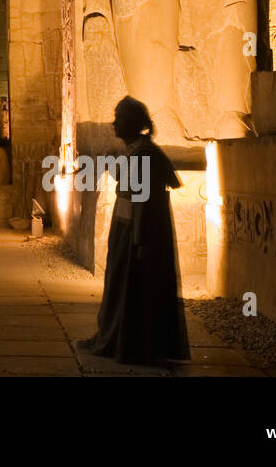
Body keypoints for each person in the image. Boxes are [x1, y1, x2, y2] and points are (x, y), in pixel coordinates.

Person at [78, 96, 190, 365]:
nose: (114, 124)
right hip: (127, 229)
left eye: (119, 119)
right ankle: (116, 337)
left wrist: (139, 241)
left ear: (132, 123)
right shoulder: (138, 152)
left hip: (137, 233)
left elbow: (143, 202)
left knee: (132, 287)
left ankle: (131, 344)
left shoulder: (145, 155)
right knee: (119, 286)